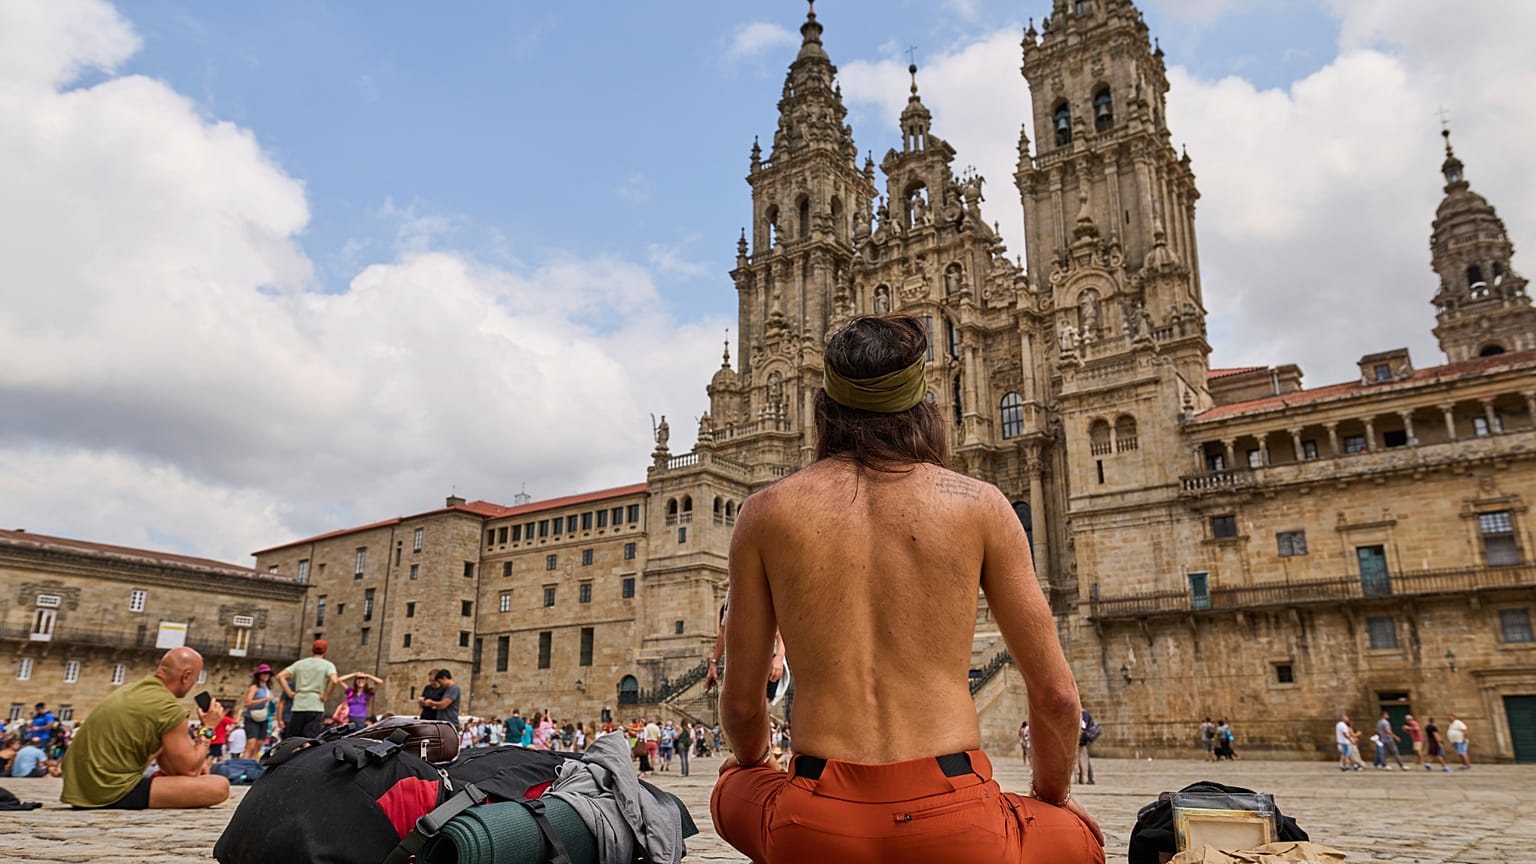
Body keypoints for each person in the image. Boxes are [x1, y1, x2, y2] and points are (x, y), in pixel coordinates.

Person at [710, 316, 1103, 863]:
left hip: (814, 826)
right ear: (924, 408)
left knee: (732, 790)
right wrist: (1053, 798)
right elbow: (1058, 697)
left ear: (824, 409)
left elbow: (742, 705)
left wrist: (756, 765)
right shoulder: (982, 504)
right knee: (1079, 839)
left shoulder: (763, 513)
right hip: (959, 826)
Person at [60, 647, 230, 809]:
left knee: (193, 773)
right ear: (186, 676)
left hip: (79, 789)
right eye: (196, 678)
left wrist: (192, 775)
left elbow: (176, 766)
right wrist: (208, 727)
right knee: (219, 786)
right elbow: (190, 770)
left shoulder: (132, 690)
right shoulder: (168, 707)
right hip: (110, 791)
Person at [277, 639, 341, 740]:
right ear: (325, 651)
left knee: (293, 738)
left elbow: (280, 676)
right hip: (315, 704)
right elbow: (334, 680)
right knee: (310, 740)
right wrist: (325, 695)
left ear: (312, 650)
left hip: (298, 704)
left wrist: (289, 693)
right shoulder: (327, 665)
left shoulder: (300, 664)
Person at [241, 664, 278, 759]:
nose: (266, 675)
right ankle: (243, 764)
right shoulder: (254, 687)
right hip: (252, 717)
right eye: (264, 673)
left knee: (259, 744)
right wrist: (264, 699)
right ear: (259, 675)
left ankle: (252, 764)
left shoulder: (268, 689)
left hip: (264, 718)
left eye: (268, 674)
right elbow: (247, 703)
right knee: (251, 744)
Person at [1077, 708, 1096, 783]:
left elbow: (1084, 726)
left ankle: (1082, 778)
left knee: (1079, 759)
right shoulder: (1086, 713)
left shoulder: (1083, 713)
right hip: (1083, 739)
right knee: (1084, 759)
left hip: (1080, 739)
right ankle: (1086, 778)